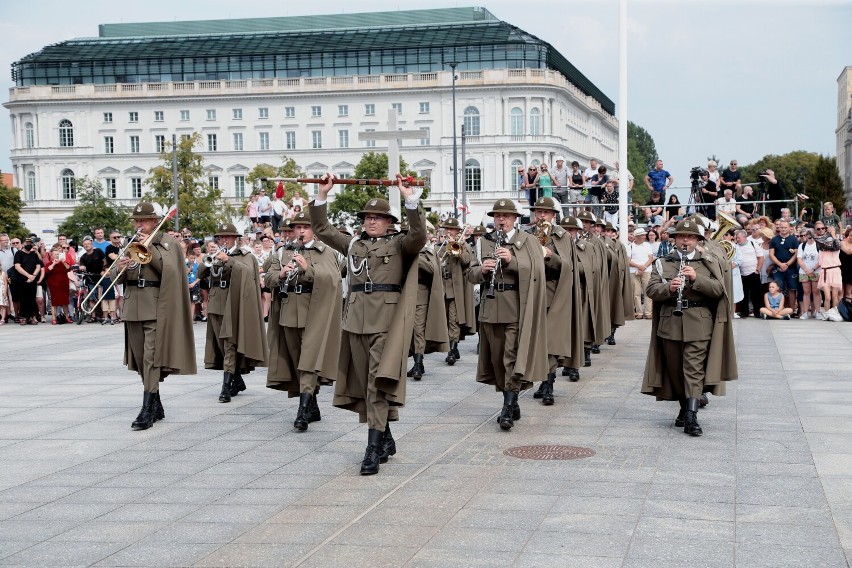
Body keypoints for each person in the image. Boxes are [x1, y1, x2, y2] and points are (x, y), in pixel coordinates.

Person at [310, 173, 426, 475]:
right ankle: (386, 436)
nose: (371, 221)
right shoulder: (353, 245)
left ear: (389, 221)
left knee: (376, 382)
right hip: (355, 320)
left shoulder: (400, 243)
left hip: (386, 321)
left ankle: (372, 448)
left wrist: (409, 199)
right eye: (367, 217)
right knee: (364, 383)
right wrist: (323, 195)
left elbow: (419, 236)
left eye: (378, 217)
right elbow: (321, 228)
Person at [642, 218, 737, 436]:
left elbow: (718, 290)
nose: (686, 240)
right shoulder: (663, 262)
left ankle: (692, 417)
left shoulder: (708, 261)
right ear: (674, 239)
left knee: (693, 371)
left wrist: (696, 279)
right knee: (675, 371)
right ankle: (684, 408)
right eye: (681, 236)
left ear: (697, 240)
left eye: (691, 237)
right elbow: (651, 289)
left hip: (699, 322)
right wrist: (669, 288)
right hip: (670, 323)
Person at [110, 202, 197, 430]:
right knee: (139, 359)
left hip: (156, 306)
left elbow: (170, 271)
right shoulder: (131, 242)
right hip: (133, 306)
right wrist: (119, 268)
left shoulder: (167, 242)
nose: (140, 225)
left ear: (155, 221)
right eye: (137, 221)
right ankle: (156, 402)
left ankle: (147, 409)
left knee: (151, 358)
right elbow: (114, 277)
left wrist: (147, 251)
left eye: (144, 221)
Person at [466, 198, 547, 430]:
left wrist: (512, 261)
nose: (501, 219)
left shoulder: (527, 240)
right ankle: (510, 397)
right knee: (497, 359)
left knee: (511, 356)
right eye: (497, 216)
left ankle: (507, 409)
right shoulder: (483, 241)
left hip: (515, 306)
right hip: (490, 307)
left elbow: (536, 270)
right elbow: (470, 274)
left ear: (514, 218)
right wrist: (481, 270)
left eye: (506, 216)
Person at [265, 211, 342, 431]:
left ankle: (302, 412)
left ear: (314, 230)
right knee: (298, 359)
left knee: (309, 359)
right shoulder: (282, 252)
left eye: (305, 227)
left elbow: (333, 278)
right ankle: (313, 405)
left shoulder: (324, 251)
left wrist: (308, 270)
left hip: (315, 311)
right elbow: (268, 277)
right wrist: (281, 274)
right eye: (297, 227)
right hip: (289, 310)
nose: (300, 231)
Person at [529, 197, 582, 406]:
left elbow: (568, 266)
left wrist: (551, 256)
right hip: (531, 292)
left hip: (552, 292)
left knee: (550, 341)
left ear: (554, 215)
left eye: (546, 212)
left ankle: (548, 384)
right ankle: (543, 379)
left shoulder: (563, 236)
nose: (542, 215)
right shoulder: (526, 235)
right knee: (537, 341)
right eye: (539, 212)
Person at [407, 226, 449, 380]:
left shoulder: (428, 252)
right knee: (405, 332)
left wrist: (415, 257)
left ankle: (418, 363)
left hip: (420, 294)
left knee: (418, 330)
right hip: (402, 294)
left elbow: (432, 269)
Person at [436, 218, 476, 366]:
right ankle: (454, 345)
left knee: (454, 319)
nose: (448, 231)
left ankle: (452, 350)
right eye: (446, 229)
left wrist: (455, 246)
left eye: (451, 229)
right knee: (445, 319)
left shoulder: (463, 245)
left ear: (457, 232)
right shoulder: (439, 246)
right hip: (442, 286)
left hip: (455, 287)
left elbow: (466, 260)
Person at [814, 221, 843, 321]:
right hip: (825, 271)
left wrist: (834, 234)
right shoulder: (821, 247)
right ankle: (826, 313)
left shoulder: (836, 245)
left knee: (835, 296)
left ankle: (833, 313)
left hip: (835, 270)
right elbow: (821, 260)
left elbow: (838, 246)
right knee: (827, 297)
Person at [768, 219, 799, 316]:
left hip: (791, 268)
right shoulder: (774, 239)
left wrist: (787, 264)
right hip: (778, 268)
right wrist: (780, 264)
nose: (784, 229)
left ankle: (792, 310)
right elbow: (771, 254)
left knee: (792, 289)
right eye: (782, 227)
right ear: (779, 228)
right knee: (778, 289)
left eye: (785, 227)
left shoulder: (794, 239)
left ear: (789, 228)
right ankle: (777, 309)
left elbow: (796, 254)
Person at [13, 237, 43, 325]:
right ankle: (23, 316)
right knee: (23, 299)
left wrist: (33, 276)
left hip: (33, 280)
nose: (28, 245)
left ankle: (32, 316)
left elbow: (38, 266)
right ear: (23, 244)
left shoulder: (34, 254)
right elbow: (17, 266)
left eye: (30, 243)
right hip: (22, 280)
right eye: (26, 243)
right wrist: (28, 276)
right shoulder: (19, 254)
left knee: (32, 298)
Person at [735, 229, 764, 318]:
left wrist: (757, 270)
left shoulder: (753, 244)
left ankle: (757, 312)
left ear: (744, 237)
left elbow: (761, 257)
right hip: (742, 274)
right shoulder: (735, 246)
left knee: (756, 294)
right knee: (743, 294)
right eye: (736, 237)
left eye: (739, 237)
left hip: (753, 273)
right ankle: (744, 312)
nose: (737, 239)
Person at [628, 228, 654, 319]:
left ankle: (648, 312)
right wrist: (639, 267)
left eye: (644, 235)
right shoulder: (630, 246)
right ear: (637, 236)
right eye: (642, 235)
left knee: (647, 292)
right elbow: (628, 261)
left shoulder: (647, 245)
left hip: (646, 270)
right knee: (636, 292)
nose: (644, 236)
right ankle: (638, 312)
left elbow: (651, 258)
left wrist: (643, 268)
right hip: (633, 271)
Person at [44, 245, 72, 324]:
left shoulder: (63, 262)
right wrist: (53, 264)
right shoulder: (49, 263)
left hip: (63, 284)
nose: (57, 255)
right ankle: (54, 318)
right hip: (54, 285)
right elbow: (47, 271)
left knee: (65, 302)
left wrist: (63, 262)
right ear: (52, 255)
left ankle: (67, 317)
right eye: (55, 254)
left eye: (58, 254)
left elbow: (68, 269)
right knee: (54, 302)